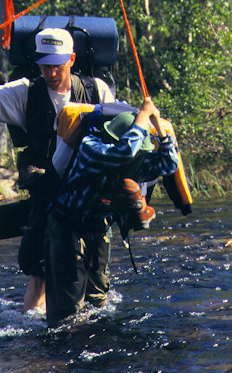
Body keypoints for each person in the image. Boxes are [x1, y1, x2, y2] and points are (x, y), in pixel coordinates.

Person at [0, 28, 115, 311]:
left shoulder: (95, 90)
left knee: (94, 278)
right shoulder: (25, 92)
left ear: (72, 59)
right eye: (44, 64)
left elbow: (116, 136)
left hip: (88, 195)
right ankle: (33, 333)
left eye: (56, 65)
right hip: (45, 192)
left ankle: (90, 329)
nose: (50, 72)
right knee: (39, 271)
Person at [44, 97, 179, 327]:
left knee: (97, 302)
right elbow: (124, 152)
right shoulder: (91, 147)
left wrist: (159, 129)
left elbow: (169, 164)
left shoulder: (134, 158)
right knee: (68, 310)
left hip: (97, 228)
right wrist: (144, 114)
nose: (138, 157)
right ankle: (62, 353)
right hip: (67, 227)